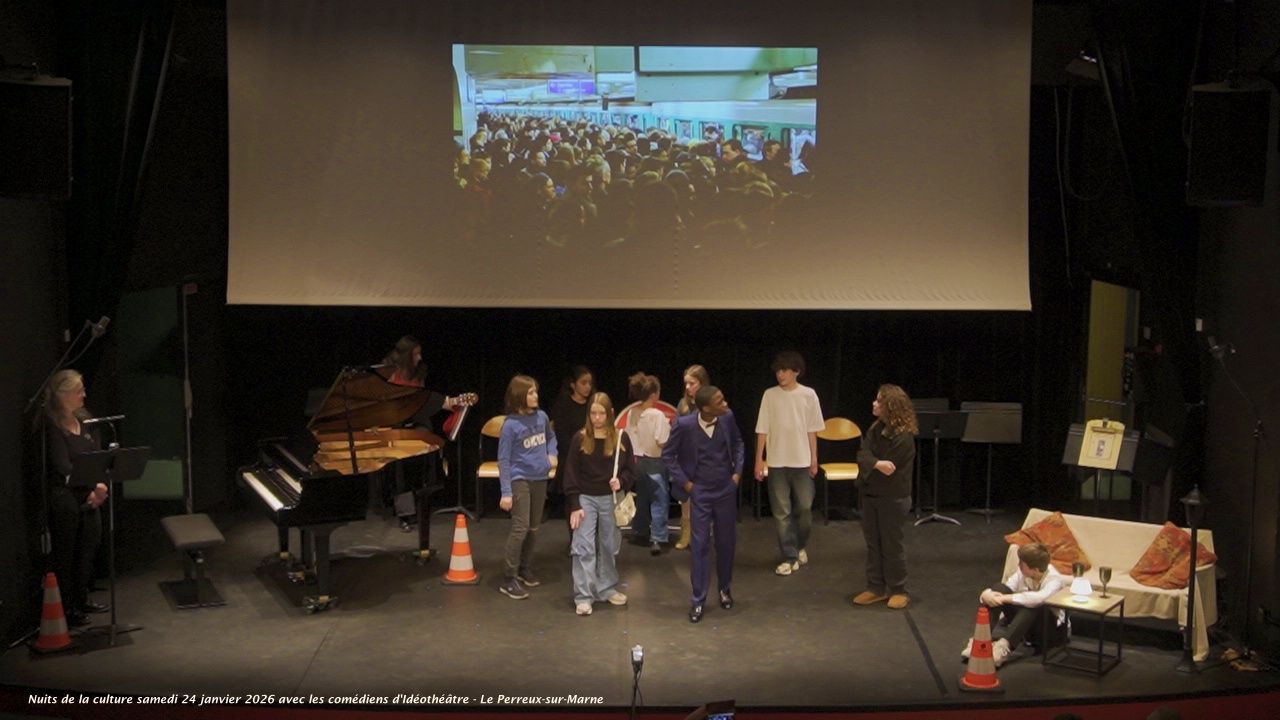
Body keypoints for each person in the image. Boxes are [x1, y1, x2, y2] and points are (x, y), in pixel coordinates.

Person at [663, 385, 744, 623]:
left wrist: (737, 474)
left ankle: (724, 589)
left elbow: (739, 444)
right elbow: (668, 455)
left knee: (726, 542)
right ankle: (698, 600)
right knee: (700, 546)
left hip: (725, 490)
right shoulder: (685, 425)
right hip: (700, 493)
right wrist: (687, 484)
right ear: (707, 408)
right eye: (720, 401)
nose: (726, 404)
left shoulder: (727, 418)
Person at [41, 369, 109, 627]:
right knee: (67, 554)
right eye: (78, 390)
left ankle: (82, 599)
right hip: (66, 497)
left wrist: (100, 486)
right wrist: (90, 488)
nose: (84, 394)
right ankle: (67, 606)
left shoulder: (85, 419)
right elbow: (62, 465)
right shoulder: (52, 424)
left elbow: (97, 456)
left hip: (90, 493)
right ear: (62, 395)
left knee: (88, 548)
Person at [382, 335, 467, 536]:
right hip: (396, 425)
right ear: (405, 356)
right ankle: (405, 514)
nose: (419, 358)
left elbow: (425, 400)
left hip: (418, 424)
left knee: (429, 445)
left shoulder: (419, 372)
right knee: (400, 464)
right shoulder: (388, 372)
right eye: (416, 354)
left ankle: (426, 498)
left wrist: (451, 402)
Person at [754, 351, 825, 576]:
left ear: (796, 371)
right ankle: (790, 556)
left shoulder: (808, 395)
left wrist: (814, 458)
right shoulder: (769, 395)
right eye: (777, 370)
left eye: (784, 370)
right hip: (777, 462)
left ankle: (800, 544)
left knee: (804, 507)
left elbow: (813, 429)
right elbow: (762, 429)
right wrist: (759, 460)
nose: (780, 374)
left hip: (802, 461)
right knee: (781, 512)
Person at [563, 392, 634, 615]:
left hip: (611, 499)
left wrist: (621, 481)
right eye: (592, 413)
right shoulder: (580, 438)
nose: (596, 418)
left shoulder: (621, 438)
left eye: (601, 413)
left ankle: (605, 588)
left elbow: (631, 470)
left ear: (610, 414)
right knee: (583, 546)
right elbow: (571, 473)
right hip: (585, 497)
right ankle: (583, 595)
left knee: (609, 545)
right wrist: (575, 504)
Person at [852, 384, 918, 609]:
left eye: (879, 401)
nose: (874, 404)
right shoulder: (875, 429)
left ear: (890, 406)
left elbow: (891, 468)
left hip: (893, 497)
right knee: (873, 544)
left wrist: (873, 464)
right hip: (871, 495)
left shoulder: (904, 437)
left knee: (891, 544)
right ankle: (875, 587)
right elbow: (863, 454)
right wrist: (876, 463)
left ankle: (899, 589)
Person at [497, 375, 557, 599]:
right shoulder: (511, 425)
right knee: (520, 527)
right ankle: (509, 577)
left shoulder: (541, 417)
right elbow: (503, 459)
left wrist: (552, 454)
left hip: (539, 477)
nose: (535, 396)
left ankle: (524, 568)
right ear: (520, 396)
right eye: (531, 392)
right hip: (519, 478)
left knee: (534, 527)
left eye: (536, 392)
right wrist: (506, 492)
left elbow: (551, 438)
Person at [961, 542, 1066, 667]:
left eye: (1022, 564)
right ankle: (980, 640)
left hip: (1049, 631)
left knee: (1034, 605)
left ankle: (1002, 648)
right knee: (1000, 587)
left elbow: (1037, 599)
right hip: (1027, 625)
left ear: (1035, 570)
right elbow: (1005, 589)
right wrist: (986, 594)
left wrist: (1004, 598)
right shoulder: (1022, 572)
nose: (1019, 566)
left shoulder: (1055, 580)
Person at [626, 372, 671, 556]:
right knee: (659, 499)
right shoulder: (657, 415)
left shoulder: (632, 413)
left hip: (638, 460)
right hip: (655, 459)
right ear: (654, 394)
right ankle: (657, 537)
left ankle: (639, 531)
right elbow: (661, 440)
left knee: (643, 496)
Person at [549, 366, 594, 535]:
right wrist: (579, 454)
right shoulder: (563, 406)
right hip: (570, 459)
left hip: (592, 461)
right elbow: (562, 436)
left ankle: (589, 538)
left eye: (589, 383)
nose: (587, 387)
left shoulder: (592, 405)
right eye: (583, 383)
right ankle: (574, 539)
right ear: (573, 385)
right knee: (573, 502)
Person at [671, 364, 711, 550]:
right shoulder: (683, 404)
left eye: (692, 383)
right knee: (685, 499)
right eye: (686, 383)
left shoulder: (711, 402)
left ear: (701, 384)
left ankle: (701, 534)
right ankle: (686, 532)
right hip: (686, 458)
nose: (688, 387)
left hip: (704, 458)